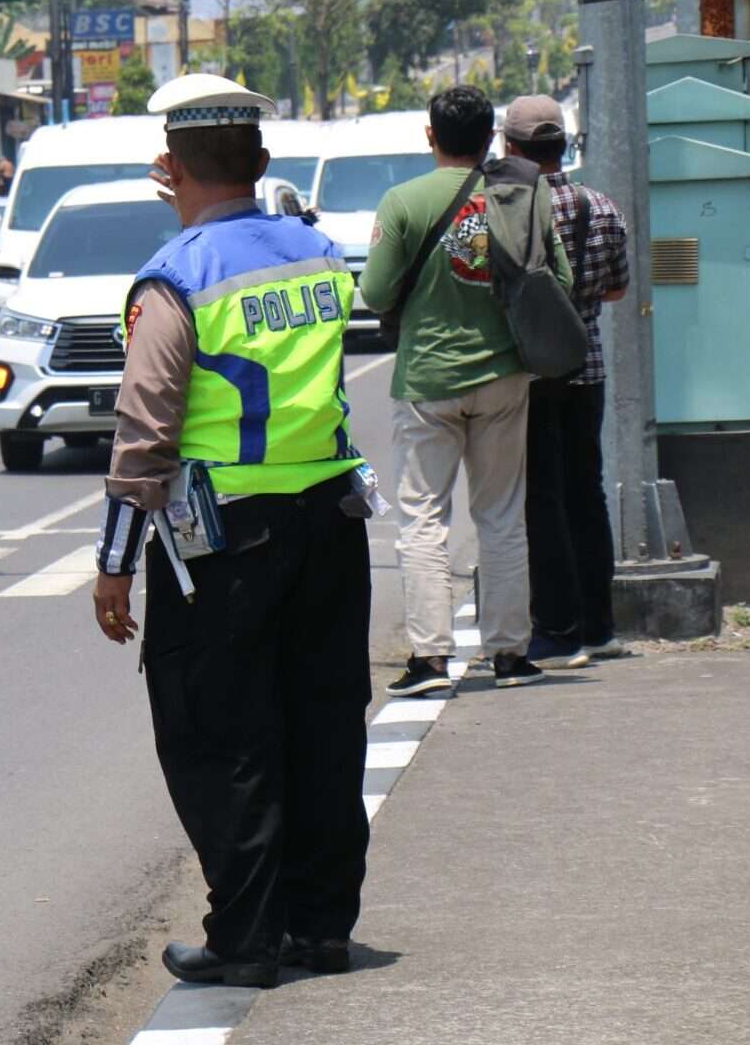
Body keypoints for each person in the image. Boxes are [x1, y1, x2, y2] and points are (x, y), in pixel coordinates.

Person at [90, 74, 371, 988]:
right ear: (260, 162)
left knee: (222, 738)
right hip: (331, 522)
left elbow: (146, 432)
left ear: (167, 172)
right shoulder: (319, 252)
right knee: (324, 725)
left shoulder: (177, 278)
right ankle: (320, 928)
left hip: (225, 547)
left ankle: (247, 938)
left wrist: (114, 566)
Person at [360, 85, 570, 697]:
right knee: (501, 514)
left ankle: (430, 659)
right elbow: (561, 279)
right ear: (491, 140)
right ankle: (509, 653)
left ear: (431, 136)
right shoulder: (523, 195)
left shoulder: (403, 202)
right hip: (504, 376)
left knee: (424, 517)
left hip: (428, 382)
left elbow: (374, 293)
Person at [500, 96, 631, 668]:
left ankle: (557, 632)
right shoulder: (600, 206)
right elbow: (617, 288)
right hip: (588, 364)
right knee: (587, 492)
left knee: (542, 499)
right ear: (565, 146)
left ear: (510, 149)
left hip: (527, 369)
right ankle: (600, 626)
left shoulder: (506, 210)